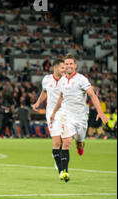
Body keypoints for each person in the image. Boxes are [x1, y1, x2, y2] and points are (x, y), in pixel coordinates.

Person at [50, 54, 108, 182]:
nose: (69, 66)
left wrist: (101, 112)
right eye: (66, 64)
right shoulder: (62, 80)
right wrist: (54, 113)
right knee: (66, 142)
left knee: (79, 142)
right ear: (64, 66)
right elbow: (61, 97)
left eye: (71, 64)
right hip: (67, 115)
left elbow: (92, 95)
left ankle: (80, 145)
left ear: (75, 66)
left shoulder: (82, 79)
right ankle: (64, 172)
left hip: (81, 117)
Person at [32, 58, 65, 174]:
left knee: (63, 140)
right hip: (51, 114)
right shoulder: (46, 79)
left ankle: (57, 155)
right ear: (55, 68)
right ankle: (58, 162)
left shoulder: (66, 80)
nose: (64, 70)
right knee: (56, 141)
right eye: (62, 68)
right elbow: (44, 92)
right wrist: (37, 103)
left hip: (64, 113)